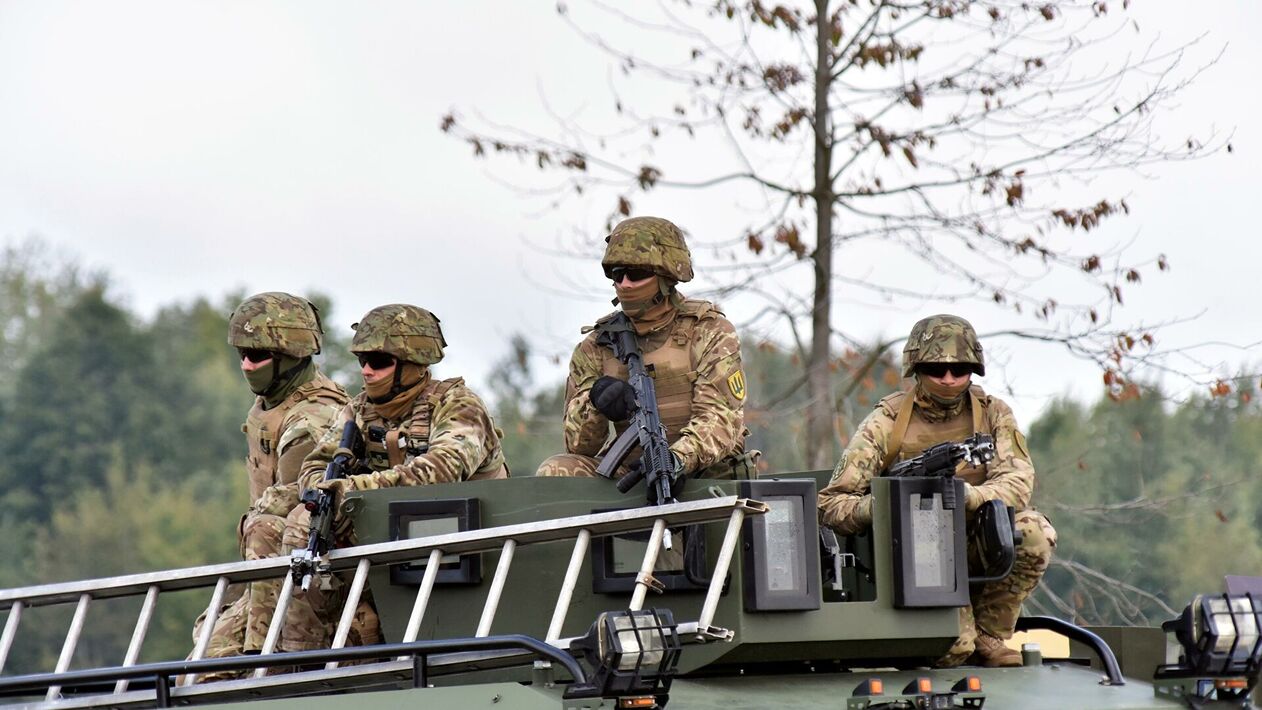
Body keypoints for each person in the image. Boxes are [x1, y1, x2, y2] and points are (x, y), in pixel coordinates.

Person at [817, 314, 1056, 668]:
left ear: (973, 370)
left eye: (959, 369)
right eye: (935, 369)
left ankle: (990, 635)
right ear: (916, 369)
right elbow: (831, 504)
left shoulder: (992, 414)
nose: (948, 379)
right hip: (915, 553)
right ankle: (962, 639)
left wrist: (969, 497)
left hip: (976, 538)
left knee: (1035, 532)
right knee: (953, 650)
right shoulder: (886, 422)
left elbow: (1018, 482)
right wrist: (886, 504)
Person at [277, 303, 509, 652]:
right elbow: (315, 466)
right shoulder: (358, 411)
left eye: (379, 361)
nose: (367, 371)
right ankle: (299, 658)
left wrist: (354, 489)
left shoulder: (459, 405)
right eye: (362, 361)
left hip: (467, 551)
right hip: (393, 547)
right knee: (299, 524)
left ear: (414, 364)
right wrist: (326, 490)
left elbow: (441, 471)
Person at [193, 292, 348, 677]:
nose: (247, 364)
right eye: (242, 354)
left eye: (258, 355)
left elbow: (291, 507)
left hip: (309, 574)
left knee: (212, 672)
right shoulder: (271, 404)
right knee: (199, 668)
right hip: (268, 568)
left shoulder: (314, 418)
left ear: (291, 355)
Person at [536, 215, 754, 481]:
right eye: (618, 274)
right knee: (556, 471)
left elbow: (721, 419)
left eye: (637, 273)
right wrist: (595, 402)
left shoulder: (708, 331)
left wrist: (674, 460)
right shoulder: (597, 345)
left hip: (705, 473)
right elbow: (578, 445)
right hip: (634, 475)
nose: (625, 283)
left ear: (667, 276)